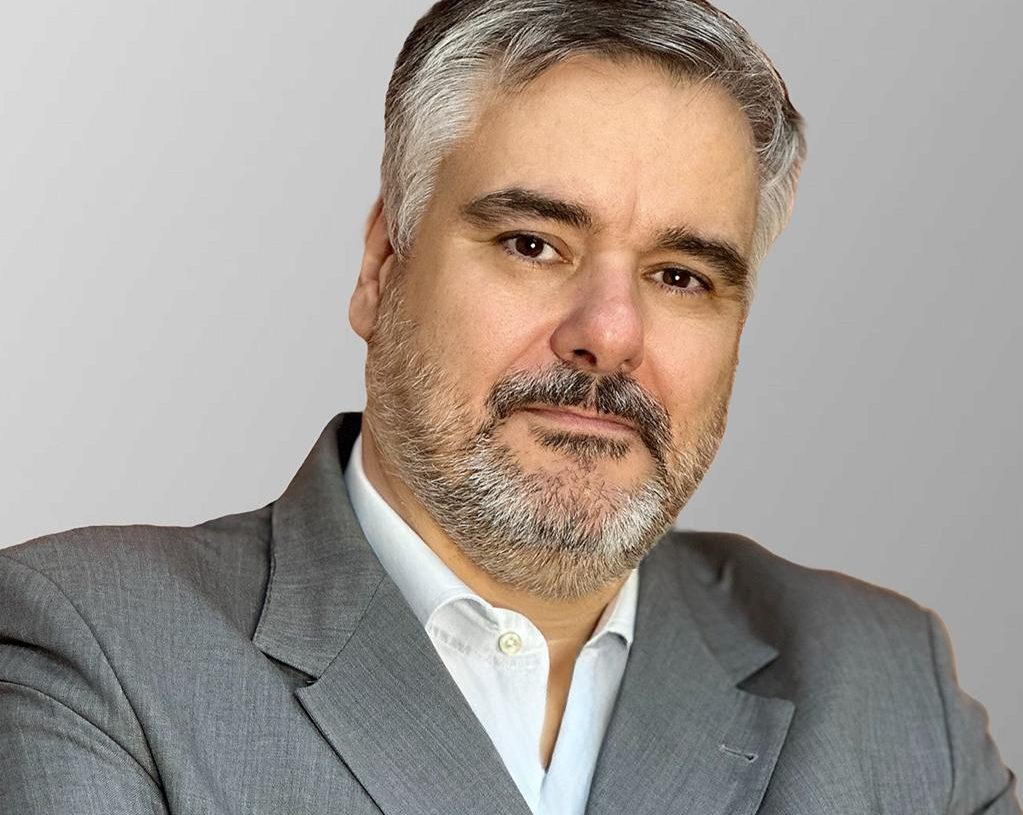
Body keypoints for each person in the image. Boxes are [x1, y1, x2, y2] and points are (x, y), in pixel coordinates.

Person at [0, 0, 1018, 812]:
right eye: (533, 244)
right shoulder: (95, 652)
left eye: (680, 275)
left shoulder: (888, 688)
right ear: (381, 267)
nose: (608, 334)